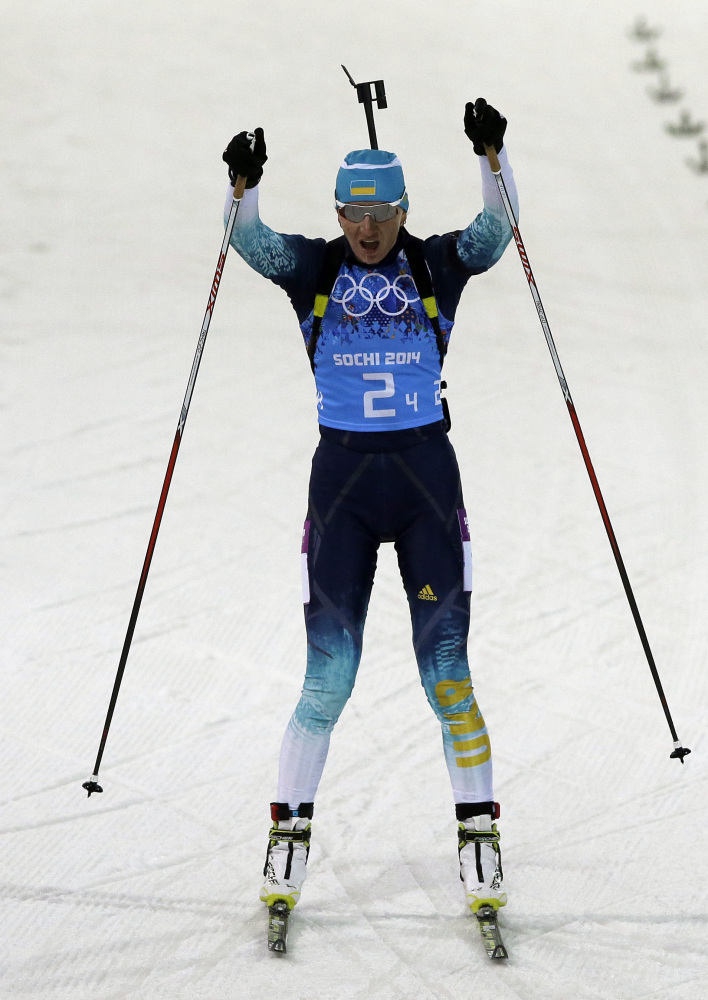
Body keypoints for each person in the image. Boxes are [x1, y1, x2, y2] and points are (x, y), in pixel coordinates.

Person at [221, 99, 518, 919]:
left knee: (447, 675)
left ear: (402, 211)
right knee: (328, 679)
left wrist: (491, 155)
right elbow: (247, 242)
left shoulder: (431, 267)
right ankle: (288, 832)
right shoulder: (315, 270)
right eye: (354, 212)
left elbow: (497, 233)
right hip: (343, 491)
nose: (367, 227)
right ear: (340, 213)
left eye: (381, 212)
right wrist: (243, 184)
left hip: (427, 486)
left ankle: (480, 835)